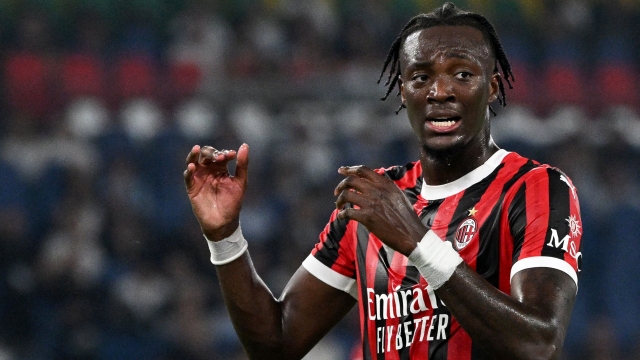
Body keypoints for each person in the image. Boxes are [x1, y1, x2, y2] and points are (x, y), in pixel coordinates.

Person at [183, 3, 583, 359]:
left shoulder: (536, 188)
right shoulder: (372, 200)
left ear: (492, 87)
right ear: (403, 93)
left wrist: (418, 241)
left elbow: (539, 344)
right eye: (420, 77)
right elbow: (276, 344)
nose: (439, 91)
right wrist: (225, 238)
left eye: (462, 73)